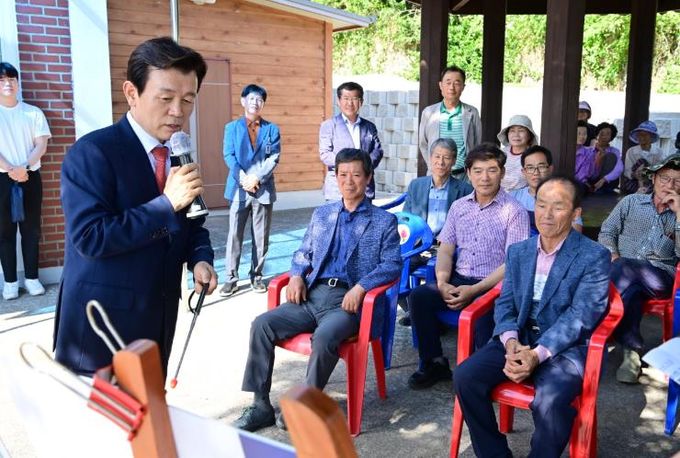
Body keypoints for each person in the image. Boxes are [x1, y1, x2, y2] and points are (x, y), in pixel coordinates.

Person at [54, 37, 217, 375]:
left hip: (158, 321)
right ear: (131, 93)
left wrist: (200, 259)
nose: (178, 111)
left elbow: (191, 222)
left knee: (149, 408)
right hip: (100, 330)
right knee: (102, 412)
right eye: (166, 98)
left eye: (188, 99)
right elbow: (90, 237)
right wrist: (165, 204)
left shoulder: (176, 153)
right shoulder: (93, 152)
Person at [233, 148, 401, 432]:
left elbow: (392, 264)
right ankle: (260, 405)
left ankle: (306, 404)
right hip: (313, 295)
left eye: (356, 175)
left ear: (368, 178)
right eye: (343, 174)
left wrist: (362, 287)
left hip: (349, 304)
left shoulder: (383, 221)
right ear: (335, 177)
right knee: (262, 324)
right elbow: (303, 252)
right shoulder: (323, 214)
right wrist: (297, 275)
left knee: (324, 337)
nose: (349, 181)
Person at [454, 175, 611, 458]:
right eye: (541, 204)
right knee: (466, 377)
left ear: (575, 213)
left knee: (550, 403)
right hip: (520, 337)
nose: (547, 214)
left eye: (558, 207)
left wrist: (536, 355)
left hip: (565, 348)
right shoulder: (520, 251)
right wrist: (510, 342)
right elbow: (506, 302)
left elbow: (582, 315)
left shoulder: (594, 256)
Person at [407, 143, 530, 390]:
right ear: (469, 173)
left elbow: (512, 264)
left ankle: (476, 378)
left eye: (492, 170)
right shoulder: (459, 206)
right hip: (459, 279)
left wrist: (475, 291)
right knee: (419, 297)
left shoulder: (514, 211)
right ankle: (434, 362)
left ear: (502, 173)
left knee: (484, 322)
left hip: (493, 287)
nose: (485, 177)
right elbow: (446, 249)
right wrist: (443, 283)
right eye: (478, 171)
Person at [598, 153, 680, 384]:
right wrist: (613, 256)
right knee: (631, 290)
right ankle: (631, 351)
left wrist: (679, 215)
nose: (670, 185)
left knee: (626, 269)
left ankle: (593, 323)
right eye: (665, 178)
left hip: (660, 277)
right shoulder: (631, 202)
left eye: (678, 181)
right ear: (653, 179)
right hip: (621, 271)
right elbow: (607, 232)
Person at [399, 138, 473, 325]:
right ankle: (411, 310)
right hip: (418, 245)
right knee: (394, 265)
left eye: (446, 157)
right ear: (430, 158)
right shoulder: (416, 185)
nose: (441, 162)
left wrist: (447, 239)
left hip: (446, 247)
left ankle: (431, 317)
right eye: (437, 156)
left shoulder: (464, 189)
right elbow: (406, 219)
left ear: (454, 160)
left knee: (436, 269)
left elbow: (466, 225)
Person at [220, 84, 280, 296]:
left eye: (260, 99)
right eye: (252, 98)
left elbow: (273, 157)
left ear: (263, 104)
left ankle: (257, 276)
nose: (256, 102)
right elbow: (229, 156)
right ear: (243, 101)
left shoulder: (272, 129)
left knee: (261, 237)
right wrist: (244, 178)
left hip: (262, 189)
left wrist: (257, 177)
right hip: (239, 188)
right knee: (234, 235)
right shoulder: (231, 128)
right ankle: (231, 279)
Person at [0, 62, 51, 300]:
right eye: (2, 80)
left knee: (31, 230)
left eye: (11, 79)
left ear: (18, 83)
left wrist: (24, 168)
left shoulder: (33, 113)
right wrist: (11, 169)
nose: (7, 84)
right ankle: (10, 282)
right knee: (4, 232)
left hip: (30, 177)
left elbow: (41, 144)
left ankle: (32, 279)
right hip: (2, 178)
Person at [319, 82, 383, 201]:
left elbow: (377, 151)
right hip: (337, 190)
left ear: (361, 102)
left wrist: (363, 166)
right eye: (346, 99)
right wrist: (349, 166)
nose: (350, 103)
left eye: (354, 99)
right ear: (338, 101)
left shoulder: (369, 126)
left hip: (364, 187)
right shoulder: (329, 125)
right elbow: (325, 154)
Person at [419, 66, 482, 179]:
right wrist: (433, 166)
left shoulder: (472, 112)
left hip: (464, 177)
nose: (452, 87)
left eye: (457, 83)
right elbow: (423, 144)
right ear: (440, 85)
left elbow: (477, 144)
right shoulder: (429, 112)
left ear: (463, 87)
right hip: (436, 176)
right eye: (448, 83)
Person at [511, 145, 583, 234]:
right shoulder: (513, 197)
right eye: (530, 168)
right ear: (524, 172)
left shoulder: (565, 196)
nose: (536, 172)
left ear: (550, 169)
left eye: (541, 167)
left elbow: (576, 232)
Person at [497, 114, 538, 192]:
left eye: (521, 130)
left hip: (523, 196)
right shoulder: (500, 153)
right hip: (499, 195)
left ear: (529, 135)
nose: (516, 135)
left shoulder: (534, 156)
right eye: (512, 131)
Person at [622, 120, 664, 194]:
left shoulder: (659, 152)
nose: (641, 137)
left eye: (645, 135)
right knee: (641, 161)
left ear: (651, 137)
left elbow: (661, 169)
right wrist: (635, 174)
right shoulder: (631, 151)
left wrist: (648, 173)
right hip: (634, 182)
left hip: (652, 181)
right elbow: (627, 171)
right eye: (640, 135)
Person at [588, 122, 623, 193]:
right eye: (602, 133)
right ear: (597, 135)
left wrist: (604, 179)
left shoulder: (615, 151)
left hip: (608, 182)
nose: (604, 136)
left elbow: (619, 168)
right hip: (593, 180)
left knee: (611, 156)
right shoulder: (589, 150)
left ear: (611, 137)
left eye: (608, 134)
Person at [574, 120, 595, 193]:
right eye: (579, 133)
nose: (582, 137)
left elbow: (584, 175)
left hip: (580, 183)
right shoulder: (565, 150)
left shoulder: (589, 152)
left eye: (585, 134)